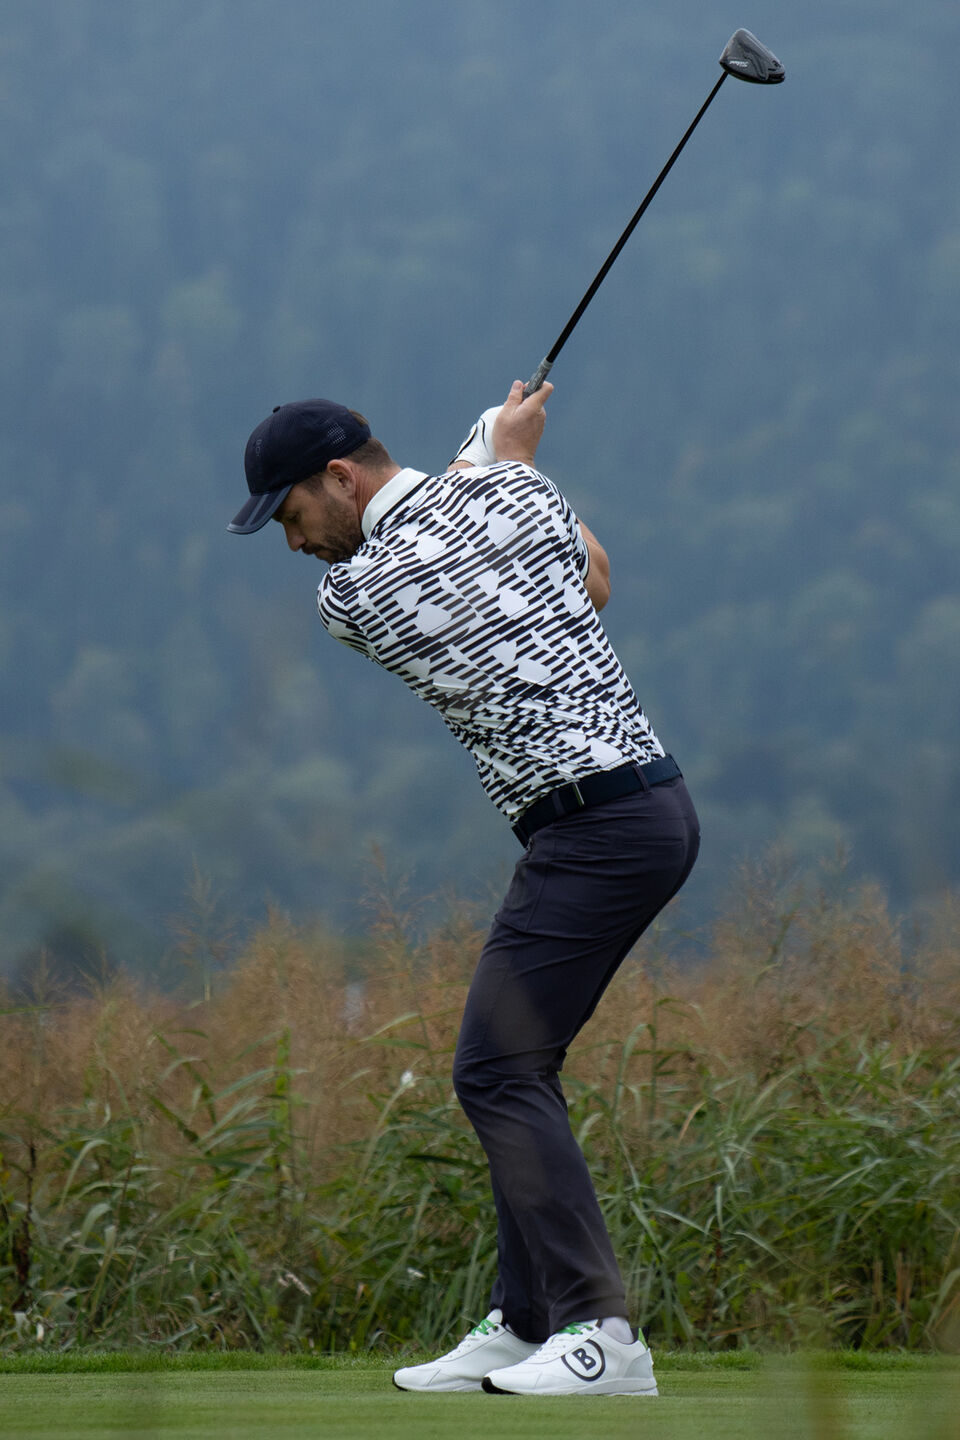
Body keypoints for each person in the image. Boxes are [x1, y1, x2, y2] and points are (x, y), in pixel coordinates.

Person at [228, 380, 699, 1397]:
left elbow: (480, 546)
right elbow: (596, 578)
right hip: (621, 818)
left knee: (495, 1074)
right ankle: (526, 1320)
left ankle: (600, 1334)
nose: (296, 545)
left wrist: (487, 453)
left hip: (602, 829)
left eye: (294, 514)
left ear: (340, 478)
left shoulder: (354, 595)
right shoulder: (510, 500)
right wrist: (503, 453)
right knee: (511, 1067)